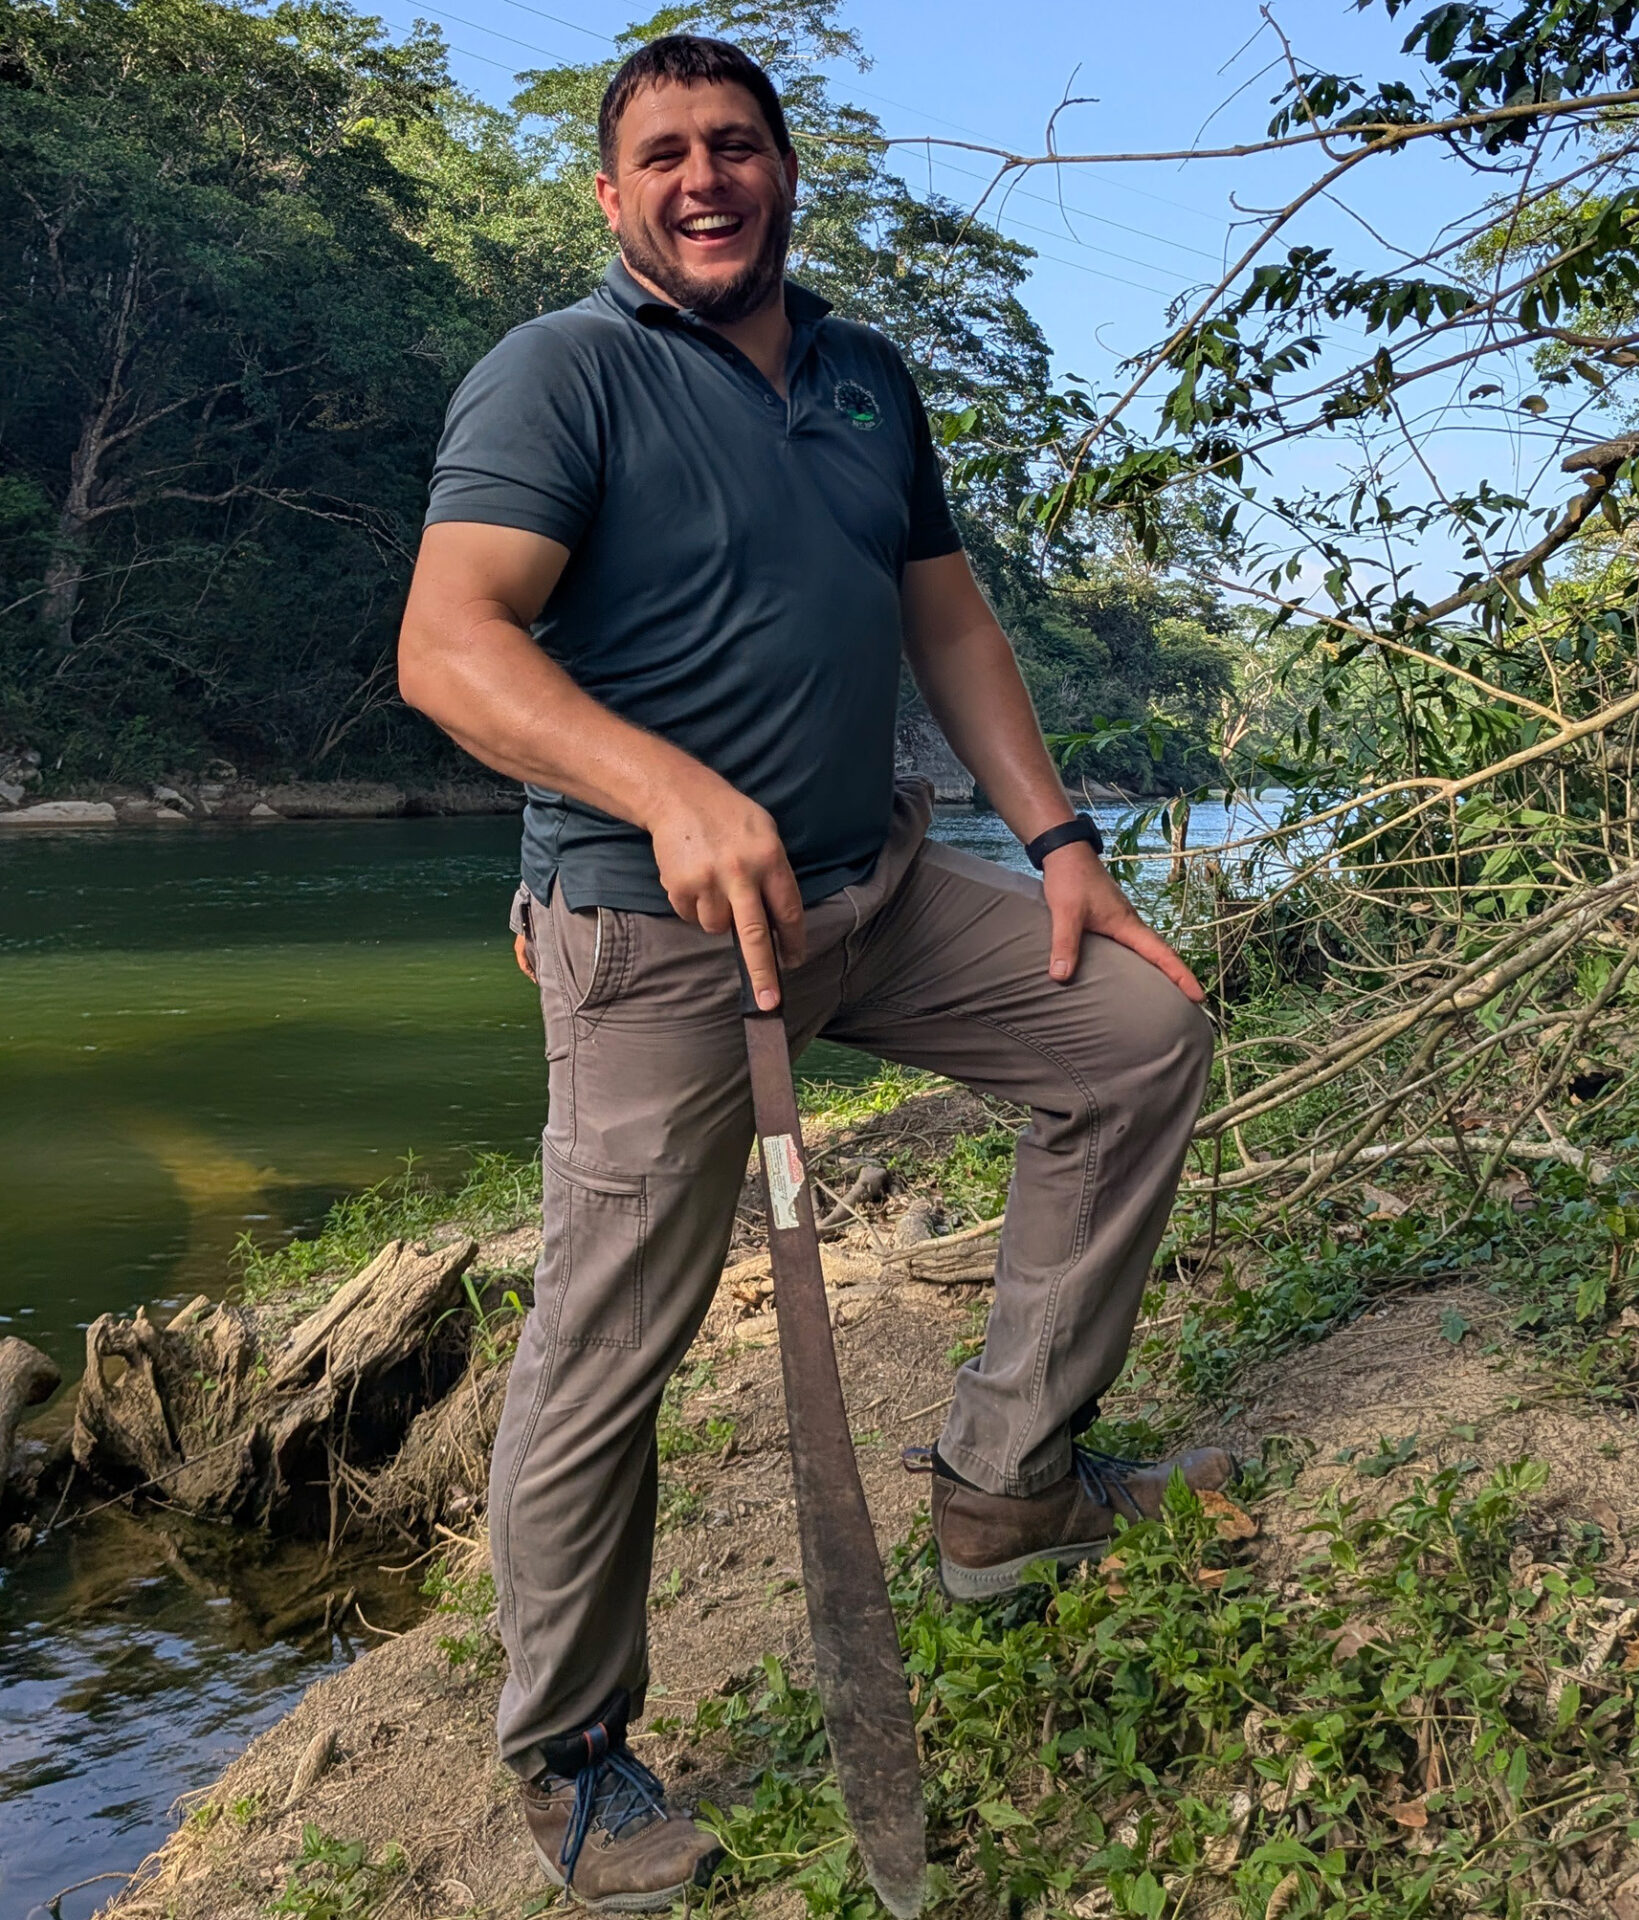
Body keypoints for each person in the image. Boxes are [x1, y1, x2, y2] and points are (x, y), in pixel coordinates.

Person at [398, 33, 1227, 1909]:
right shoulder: (561, 374)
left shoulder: (863, 376)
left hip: (878, 883)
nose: (705, 178)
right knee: (611, 1335)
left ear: (786, 173)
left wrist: (1063, 845)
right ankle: (573, 1755)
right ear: (612, 197)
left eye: (737, 146)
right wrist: (664, 785)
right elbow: (451, 648)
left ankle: (1007, 1484)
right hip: (653, 929)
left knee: (1131, 1038)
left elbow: (944, 612)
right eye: (664, 154)